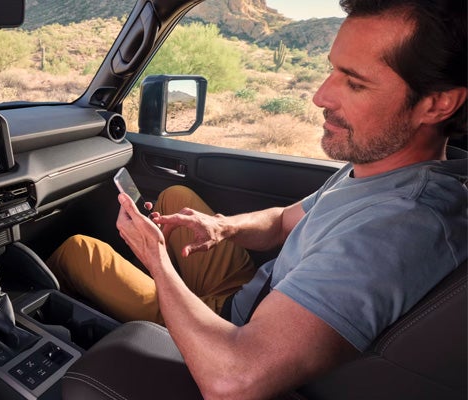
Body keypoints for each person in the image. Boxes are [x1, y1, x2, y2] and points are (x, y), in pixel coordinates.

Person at [46, 0, 467, 397]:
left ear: (437, 104)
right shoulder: (381, 167)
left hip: (231, 332)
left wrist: (155, 259)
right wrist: (220, 227)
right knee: (175, 196)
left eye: (355, 83)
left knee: (78, 250)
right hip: (250, 295)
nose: (320, 96)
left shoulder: (397, 227)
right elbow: (285, 221)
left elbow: (232, 379)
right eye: (333, 71)